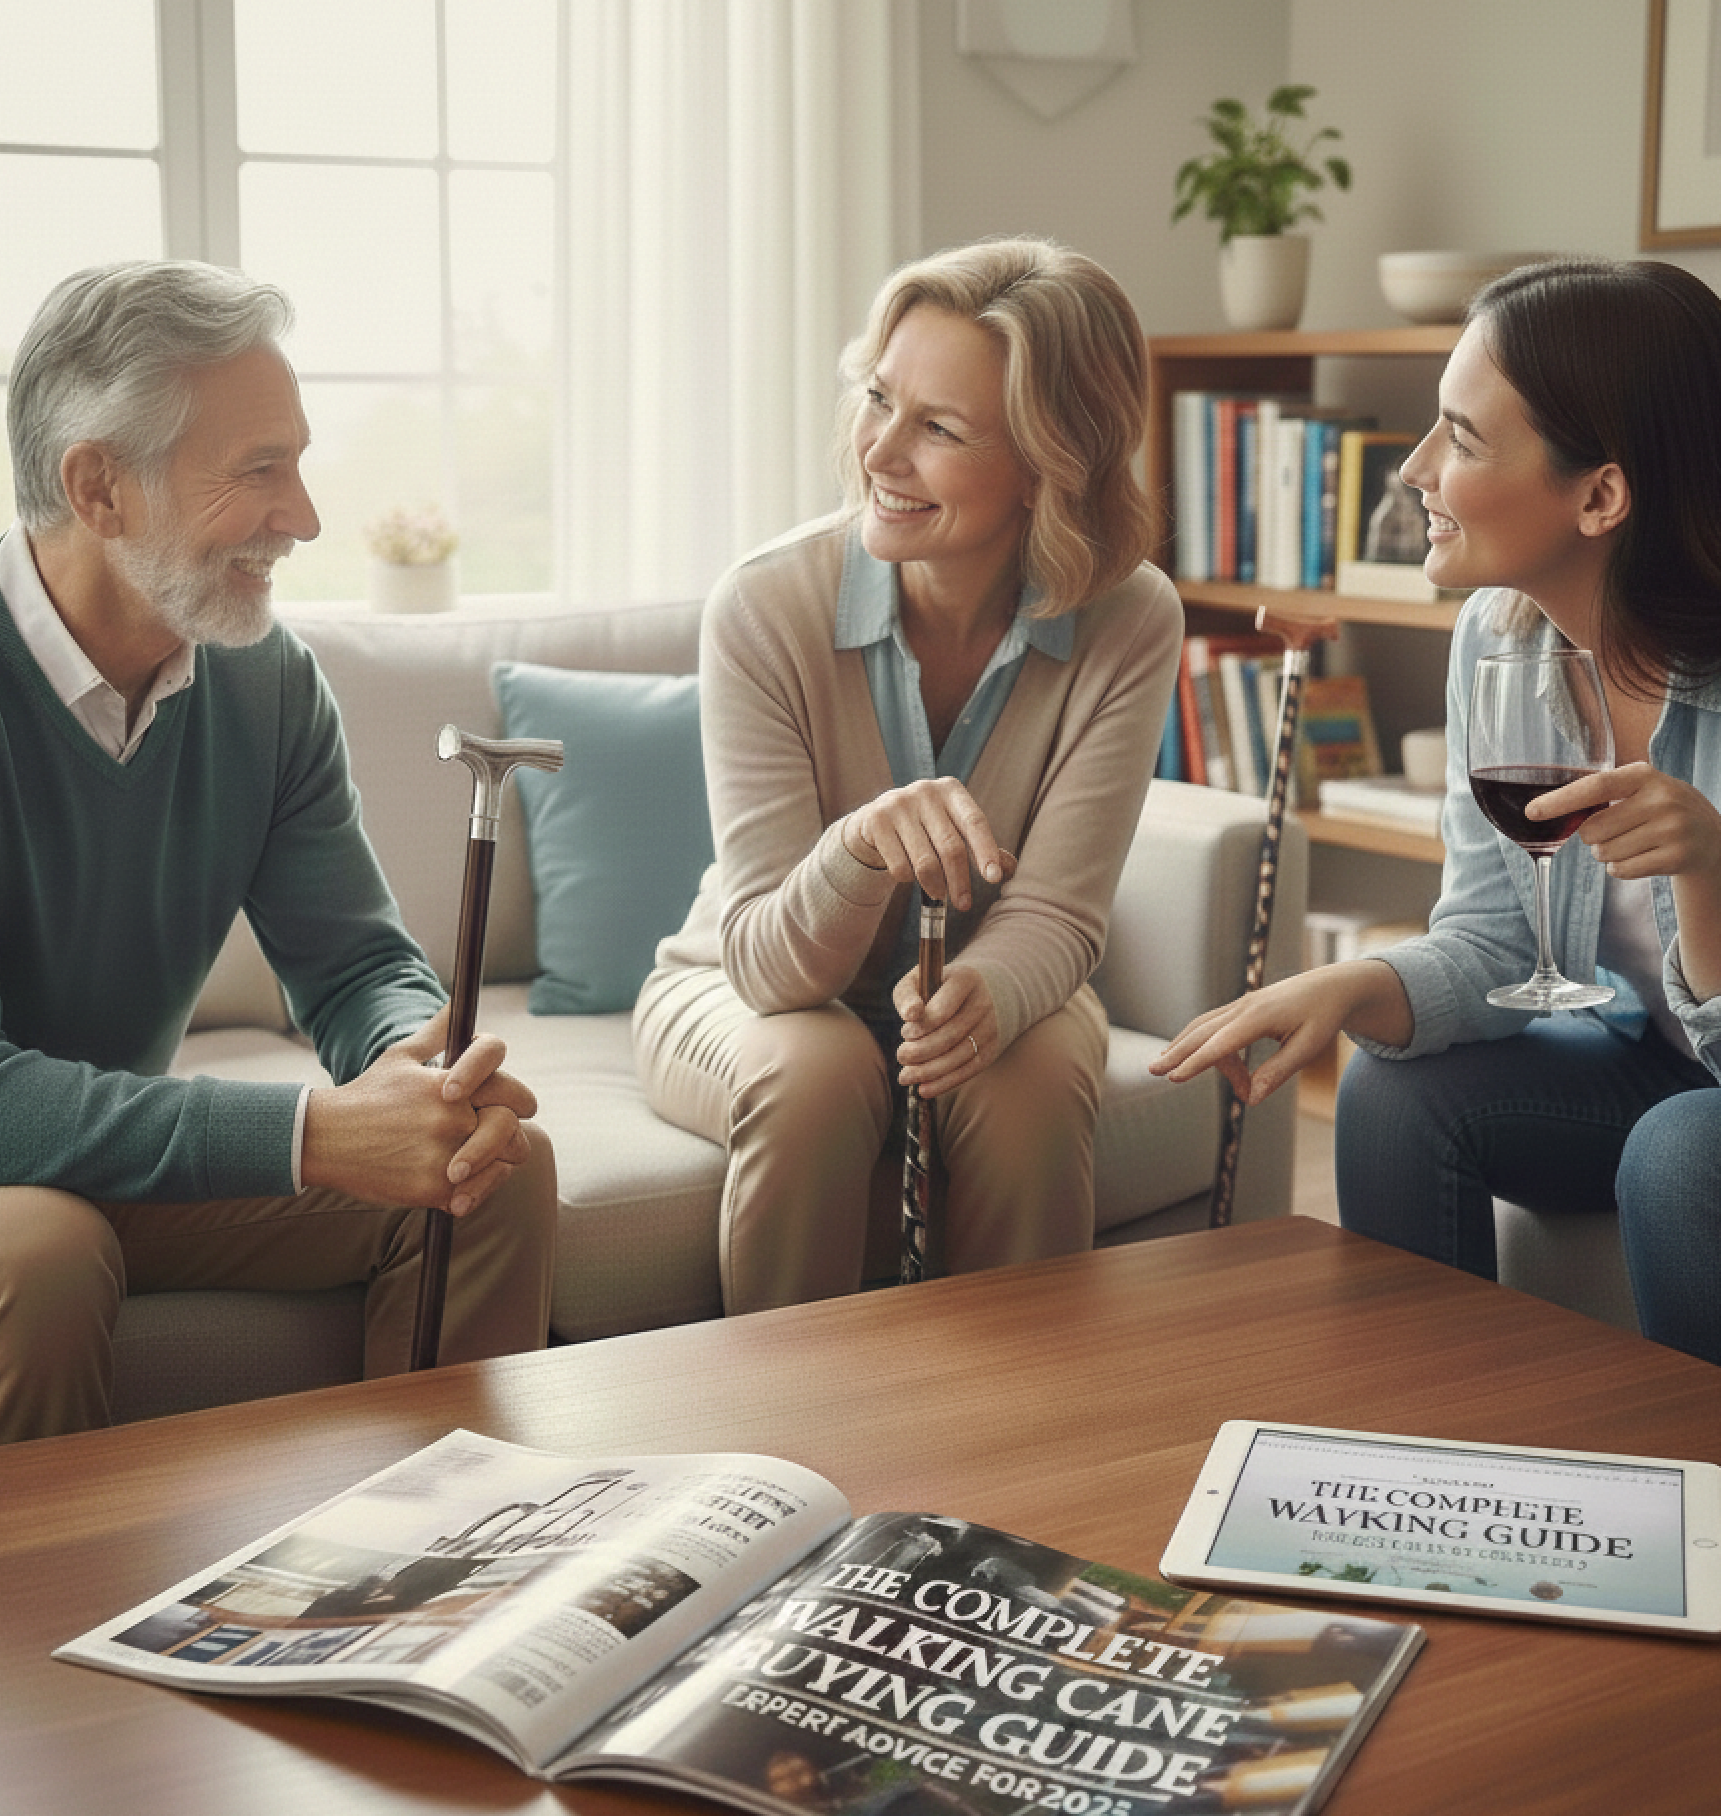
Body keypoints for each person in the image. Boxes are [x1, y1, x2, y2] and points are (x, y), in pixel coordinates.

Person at [0, 260, 557, 1457]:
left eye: (299, 462)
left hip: (90, 1155)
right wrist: (311, 1135)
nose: (305, 517)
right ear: (98, 487)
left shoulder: (263, 683)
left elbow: (358, 963)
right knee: (37, 1252)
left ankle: (435, 1581)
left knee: (492, 1174)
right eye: (260, 470)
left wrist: (416, 1061)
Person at [1149, 257, 1721, 1364]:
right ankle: (1438, 1463)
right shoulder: (1501, 641)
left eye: (1461, 438)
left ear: (1600, 495)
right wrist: (1355, 982)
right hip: (1646, 1054)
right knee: (1391, 1090)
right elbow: (1499, 942)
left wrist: (1710, 874)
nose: (1416, 470)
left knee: (1682, 1152)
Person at [633, 236, 1181, 1312]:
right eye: (877, 398)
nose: (880, 451)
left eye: (939, 428)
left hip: (985, 980)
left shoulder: (1131, 618)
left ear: (1050, 465)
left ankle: (1021, 1445)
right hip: (742, 982)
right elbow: (767, 970)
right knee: (817, 1075)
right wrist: (857, 848)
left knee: (1030, 1083)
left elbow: (1061, 916)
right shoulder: (764, 606)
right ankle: (783, 1446)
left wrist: (991, 992)